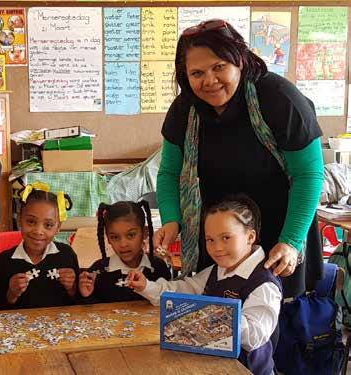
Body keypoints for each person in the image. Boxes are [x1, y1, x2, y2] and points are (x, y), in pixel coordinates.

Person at [155, 19, 323, 298]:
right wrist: (172, 220)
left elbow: (309, 174)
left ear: (240, 60)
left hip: (280, 234)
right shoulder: (185, 109)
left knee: (274, 326)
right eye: (197, 73)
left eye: (219, 67)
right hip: (219, 242)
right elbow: (170, 173)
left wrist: (291, 241)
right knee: (217, 321)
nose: (209, 80)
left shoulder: (279, 98)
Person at [129, 195, 282, 375]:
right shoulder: (215, 270)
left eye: (226, 237)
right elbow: (183, 289)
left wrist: (216, 312)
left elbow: (254, 337)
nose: (217, 248)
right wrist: (146, 286)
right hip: (214, 366)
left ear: (250, 237)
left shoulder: (264, 284)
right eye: (210, 239)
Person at [0, 183, 79, 309]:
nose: (38, 231)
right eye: (31, 222)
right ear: (19, 220)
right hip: (19, 327)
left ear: (58, 228)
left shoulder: (66, 254)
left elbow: (79, 303)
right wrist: (11, 294)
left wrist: (72, 288)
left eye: (48, 225)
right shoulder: (4, 260)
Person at [78, 201, 171, 303]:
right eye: (115, 237)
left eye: (131, 235)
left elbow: (170, 306)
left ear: (144, 233)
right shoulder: (98, 272)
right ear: (108, 238)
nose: (123, 244)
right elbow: (87, 313)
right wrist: (86, 296)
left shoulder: (158, 268)